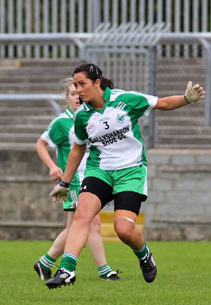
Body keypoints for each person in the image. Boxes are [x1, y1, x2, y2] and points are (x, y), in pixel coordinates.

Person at [46, 63, 205, 289]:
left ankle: (144, 255)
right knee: (82, 216)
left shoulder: (126, 100)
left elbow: (162, 103)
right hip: (99, 171)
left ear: (97, 83)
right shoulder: (81, 116)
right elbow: (78, 148)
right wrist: (65, 182)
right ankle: (66, 270)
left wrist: (186, 98)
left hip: (130, 171)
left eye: (82, 84)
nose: (78, 90)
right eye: (75, 85)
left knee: (124, 229)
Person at [34, 78, 120, 282]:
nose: (77, 97)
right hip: (74, 181)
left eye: (78, 93)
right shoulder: (62, 122)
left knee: (75, 227)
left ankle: (45, 263)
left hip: (90, 176)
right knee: (91, 223)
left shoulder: (90, 117)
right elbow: (40, 144)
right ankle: (104, 271)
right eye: (72, 94)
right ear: (67, 98)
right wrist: (53, 167)